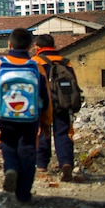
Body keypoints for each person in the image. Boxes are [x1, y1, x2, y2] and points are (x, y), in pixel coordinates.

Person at [0, 28, 53, 203]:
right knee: (28, 151)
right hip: (30, 117)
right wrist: (46, 123)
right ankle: (24, 194)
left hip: (5, 115)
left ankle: (11, 168)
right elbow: (45, 96)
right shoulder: (36, 66)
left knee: (8, 145)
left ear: (9, 44)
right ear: (30, 46)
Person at [32, 34, 76, 182]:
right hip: (62, 104)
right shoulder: (65, 62)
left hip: (42, 104)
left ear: (38, 47)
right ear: (53, 46)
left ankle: (42, 165)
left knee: (42, 132)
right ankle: (66, 163)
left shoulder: (35, 62)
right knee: (63, 133)